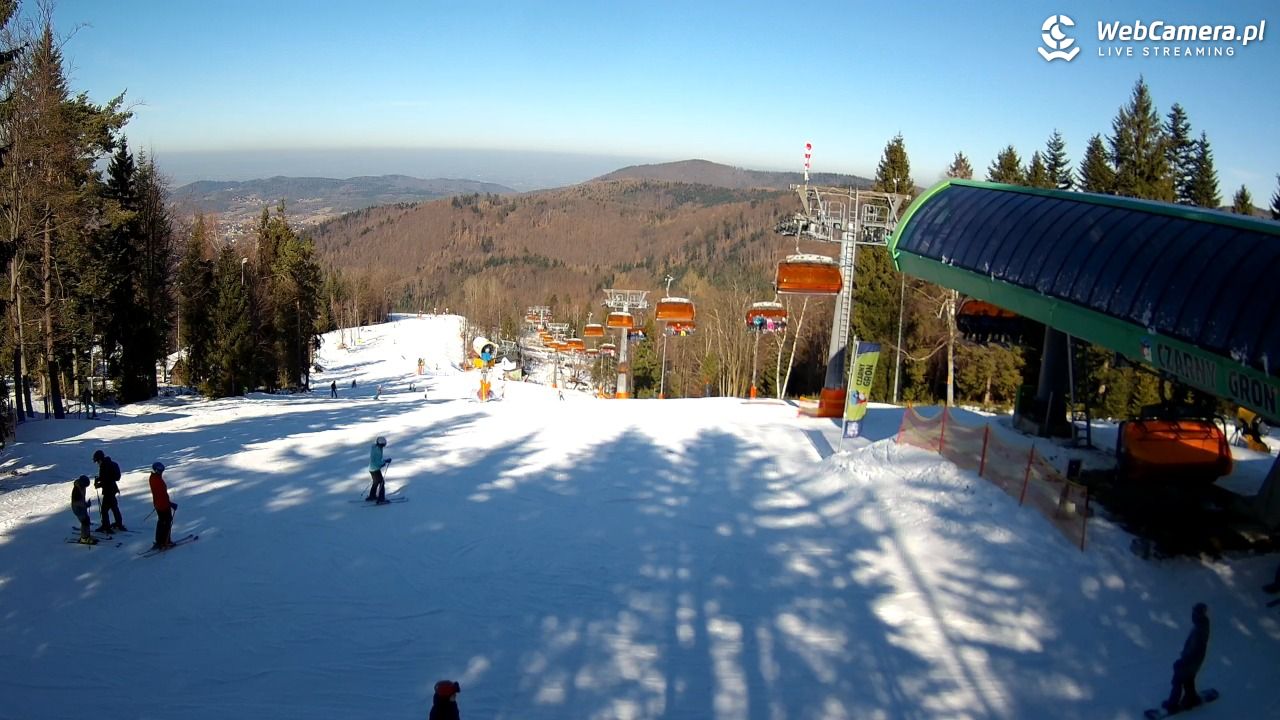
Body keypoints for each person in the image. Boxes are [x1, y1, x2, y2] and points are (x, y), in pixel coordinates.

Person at [1163, 602, 1210, 713]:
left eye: (1194, 613)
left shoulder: (1199, 631)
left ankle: (1173, 704)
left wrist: (1183, 661)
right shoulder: (1202, 625)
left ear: (1198, 615)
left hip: (1191, 661)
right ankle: (1191, 698)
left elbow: (1193, 650)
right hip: (1195, 661)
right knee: (1188, 679)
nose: (1192, 615)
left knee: (1178, 680)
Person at [92, 449, 126, 532]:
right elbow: (108, 477)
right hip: (113, 489)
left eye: (97, 461)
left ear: (100, 459)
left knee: (104, 510)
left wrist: (98, 485)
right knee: (114, 507)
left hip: (108, 490)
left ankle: (106, 526)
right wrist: (99, 479)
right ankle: (119, 523)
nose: (97, 463)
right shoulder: (109, 463)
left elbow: (106, 479)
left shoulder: (104, 466)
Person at [148, 462, 178, 550]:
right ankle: (165, 541)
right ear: (156, 470)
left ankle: (160, 541)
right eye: (159, 471)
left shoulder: (154, 477)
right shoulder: (157, 480)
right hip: (163, 505)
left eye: (162, 470)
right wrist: (171, 504)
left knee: (162, 522)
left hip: (159, 504)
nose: (161, 472)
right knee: (167, 522)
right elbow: (162, 496)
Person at [70, 475, 96, 544]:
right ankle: (84, 538)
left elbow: (81, 500)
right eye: (85, 485)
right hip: (77, 508)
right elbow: (77, 502)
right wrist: (86, 504)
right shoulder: (77, 490)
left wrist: (86, 504)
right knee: (85, 522)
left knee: (87, 520)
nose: (86, 487)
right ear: (82, 483)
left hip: (81, 507)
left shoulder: (81, 487)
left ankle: (86, 535)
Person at [366, 436, 390, 503]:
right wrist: (384, 462)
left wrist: (384, 461)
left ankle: (372, 496)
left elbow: (378, 460)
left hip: (372, 468)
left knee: (376, 482)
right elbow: (377, 462)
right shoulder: (377, 450)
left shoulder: (375, 447)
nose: (383, 446)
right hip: (375, 469)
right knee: (382, 482)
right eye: (383, 445)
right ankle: (381, 499)